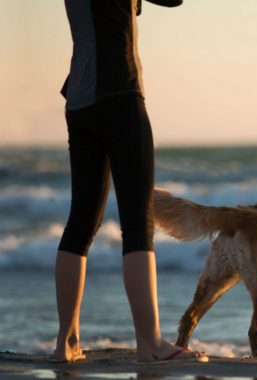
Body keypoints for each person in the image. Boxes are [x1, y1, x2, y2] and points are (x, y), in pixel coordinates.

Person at [53, 0, 205, 363]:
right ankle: (150, 343)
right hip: (119, 94)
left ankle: (66, 342)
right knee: (138, 224)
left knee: (81, 222)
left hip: (79, 100)